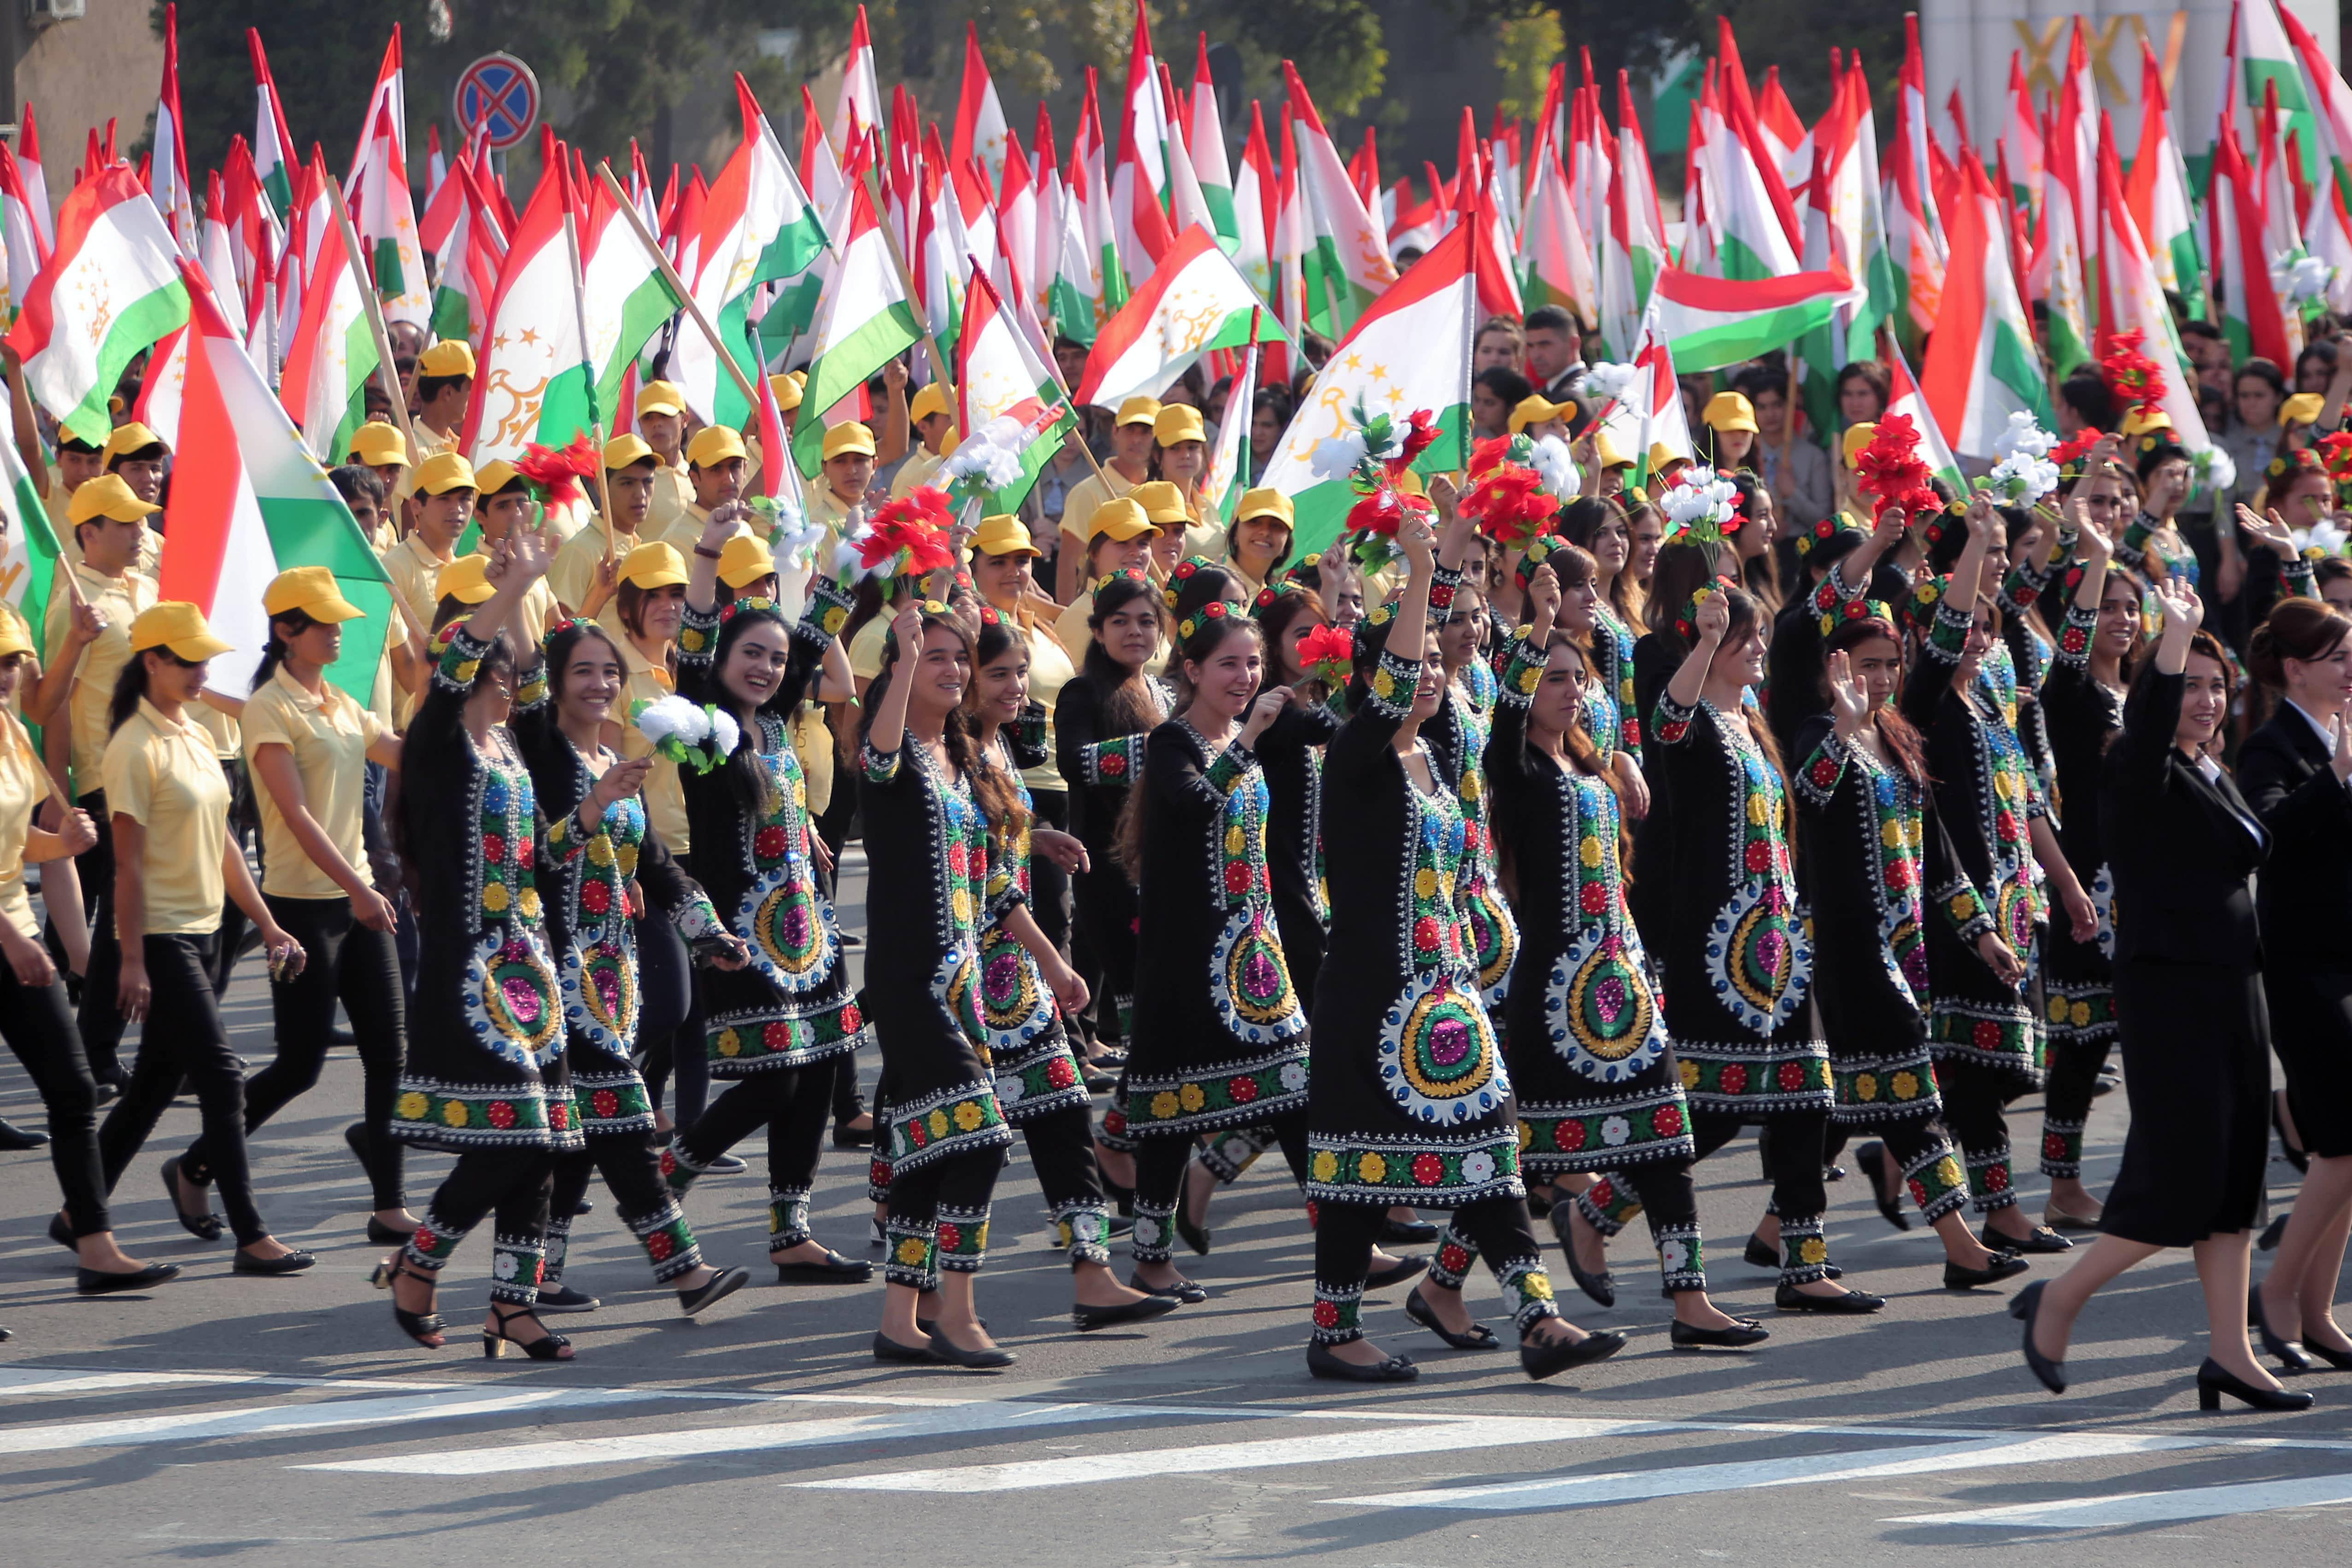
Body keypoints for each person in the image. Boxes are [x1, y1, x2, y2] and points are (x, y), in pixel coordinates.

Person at [1304, 490, 1619, 1382]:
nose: (1434, 675)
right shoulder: (1359, 753)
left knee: (1485, 1141)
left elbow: (1480, 667)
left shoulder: (1437, 750)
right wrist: (1414, 569)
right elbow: (1403, 669)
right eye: (1412, 669)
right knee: (1359, 1174)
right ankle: (1334, 1331)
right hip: (1372, 992)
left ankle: (1537, 1316)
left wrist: (1451, 561)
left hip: (1445, 991)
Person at [2015, 579, 2313, 1411]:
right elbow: (2142, 732)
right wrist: (2174, 639)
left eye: (2217, 686)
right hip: (2171, 993)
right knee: (2182, 1177)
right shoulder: (2133, 769)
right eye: (2189, 686)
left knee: (2233, 1182)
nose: (2207, 700)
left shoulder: (2209, 769)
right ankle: (2059, 1298)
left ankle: (2229, 1351)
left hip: (2233, 989)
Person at [1490, 565, 1766, 1345]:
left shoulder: (1590, 764)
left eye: (1579, 678)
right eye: (1553, 678)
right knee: (1534, 1152)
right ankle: (1445, 1284)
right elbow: (1509, 700)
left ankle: (1690, 1301)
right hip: (1552, 984)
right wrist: (1540, 620)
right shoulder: (1513, 769)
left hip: (1621, 974)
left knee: (1666, 1131)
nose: (1569, 690)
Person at [1642, 562, 1884, 1312]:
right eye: (1743, 640)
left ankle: (1804, 1266)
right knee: (1710, 1109)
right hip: (1717, 948)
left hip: (1778, 945)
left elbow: (1807, 800)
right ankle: (1598, 1209)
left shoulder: (1755, 725)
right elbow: (1666, 722)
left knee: (1806, 1098)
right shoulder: (1694, 726)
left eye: (1755, 639)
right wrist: (1705, 636)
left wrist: (1844, 732)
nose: (1756, 651)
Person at [375, 531, 583, 1358]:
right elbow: (458, 657)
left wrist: (596, 814)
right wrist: (524, 580)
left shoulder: (507, 750)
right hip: (472, 965)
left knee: (542, 1143)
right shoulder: (438, 739)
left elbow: (541, 846)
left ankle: (513, 1304)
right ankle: (420, 1261)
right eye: (495, 671)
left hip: (526, 961)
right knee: (523, 1132)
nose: (509, 684)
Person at [512, 617, 755, 1319]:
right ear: (555, 684)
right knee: (620, 1112)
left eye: (610, 672)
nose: (600, 684)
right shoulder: (542, 754)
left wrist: (706, 930)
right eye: (583, 671)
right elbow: (541, 855)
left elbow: (654, 861)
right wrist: (522, 585)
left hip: (612, 968)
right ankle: (683, 1270)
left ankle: (531, 1274)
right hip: (556, 965)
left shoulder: (613, 760)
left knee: (586, 1126)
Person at [175, 569, 414, 1246]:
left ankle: (390, 1202)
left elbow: (399, 753)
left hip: (360, 897)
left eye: (339, 620)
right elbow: (296, 813)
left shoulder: (337, 700)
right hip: (305, 907)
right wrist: (361, 889)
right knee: (300, 1065)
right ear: (285, 631)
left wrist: (457, 706)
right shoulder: (269, 707)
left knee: (388, 1054)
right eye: (324, 622)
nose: (338, 631)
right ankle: (195, 1163)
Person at [663, 504, 871, 1280]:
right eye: (751, 653)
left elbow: (823, 616)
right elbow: (688, 643)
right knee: (776, 1074)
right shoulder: (701, 725)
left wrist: (862, 544)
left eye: (778, 659)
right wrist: (711, 548)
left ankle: (792, 1232)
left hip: (807, 924)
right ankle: (667, 1177)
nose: (768, 667)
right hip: (736, 928)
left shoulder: (778, 724)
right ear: (721, 658)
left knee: (817, 1069)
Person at [1793, 612, 2031, 1287]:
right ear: (1833, 668)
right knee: (1911, 1097)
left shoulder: (1898, 738)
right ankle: (1961, 1243)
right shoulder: (1822, 733)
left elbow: (1938, 856)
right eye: (1865, 664)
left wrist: (1982, 932)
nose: (1879, 678)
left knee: (1826, 1106)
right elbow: (1807, 797)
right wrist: (1841, 724)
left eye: (1888, 665)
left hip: (1905, 949)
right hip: (1846, 948)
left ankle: (1783, 1241)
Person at [958, 609, 1170, 1326]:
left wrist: (1037, 833)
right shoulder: (952, 758)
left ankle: (1092, 1270)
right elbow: (987, 880)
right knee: (951, 1135)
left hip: (1012, 973)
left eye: (1020, 671)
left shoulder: (995, 752)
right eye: (998, 674)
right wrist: (1054, 962)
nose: (1017, 685)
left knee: (1058, 1107)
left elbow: (997, 843)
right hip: (970, 974)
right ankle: (920, 1288)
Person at [92, 603, 314, 1277]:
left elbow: (222, 841)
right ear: (151, 661)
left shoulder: (192, 729)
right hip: (159, 935)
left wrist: (268, 922)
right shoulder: (132, 744)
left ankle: (80, 1208)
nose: (201, 670)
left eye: (205, 658)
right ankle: (251, 1233)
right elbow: (124, 865)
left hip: (206, 929)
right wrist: (130, 958)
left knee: (155, 1083)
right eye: (187, 659)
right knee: (221, 1075)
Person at [1121, 600, 1318, 1301]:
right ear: (1193, 670)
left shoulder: (1251, 727)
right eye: (1229, 664)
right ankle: (1150, 1256)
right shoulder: (1173, 741)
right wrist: (1251, 737)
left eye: (1253, 662)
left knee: (1297, 1084)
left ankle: (1346, 1238)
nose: (1244, 677)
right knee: (1170, 1110)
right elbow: (1194, 803)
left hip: (1254, 954)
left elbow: (1342, 726)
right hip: (1186, 958)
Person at [856, 597, 1022, 1368]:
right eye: (936, 657)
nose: (954, 668)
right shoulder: (893, 756)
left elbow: (989, 884)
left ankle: (900, 1317)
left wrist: (1049, 963)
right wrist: (902, 648)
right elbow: (879, 756)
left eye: (961, 657)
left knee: (929, 1144)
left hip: (964, 983)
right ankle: (958, 1310)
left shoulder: (963, 760)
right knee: (982, 1137)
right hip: (910, 978)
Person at [0, 607, 180, 1294]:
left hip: (16, 933)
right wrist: (16, 936)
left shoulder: (14, 730)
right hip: (9, 937)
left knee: (74, 1089)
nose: (9, 675)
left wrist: (63, 845)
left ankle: (95, 1245)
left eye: (14, 661)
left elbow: (19, 845)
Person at [2239, 598, 2352, 1373]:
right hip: (2303, 965)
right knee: (2344, 1141)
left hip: (2348, 956)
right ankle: (2278, 1293)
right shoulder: (2268, 747)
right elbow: (2269, 833)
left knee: (2345, 1147)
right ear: (2297, 667)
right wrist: (2339, 775)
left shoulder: (2342, 736)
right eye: (2341, 655)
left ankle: (2316, 1307)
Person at [29, 476, 161, 1086]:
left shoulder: (141, 587)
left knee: (146, 909)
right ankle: (101, 1044)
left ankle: (134, 1044)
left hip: (157, 770)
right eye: (126, 522)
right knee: (124, 911)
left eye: (140, 521)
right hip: (108, 778)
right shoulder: (73, 605)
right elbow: (54, 702)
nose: (139, 531)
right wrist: (58, 791)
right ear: (89, 532)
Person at [1055, 571, 1170, 1079]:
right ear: (1097, 631)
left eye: (1146, 621)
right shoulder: (1083, 692)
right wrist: (1157, 750)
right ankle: (1143, 1104)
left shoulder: (1163, 694)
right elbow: (1074, 763)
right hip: (1107, 861)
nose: (1134, 632)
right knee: (1133, 980)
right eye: (1119, 621)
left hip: (1164, 858)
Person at [1056, 398, 1160, 603]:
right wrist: (1064, 618)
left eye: (1146, 432)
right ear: (1115, 432)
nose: (1137, 440)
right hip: (1100, 606)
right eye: (1130, 430)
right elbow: (1068, 563)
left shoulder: (1162, 489)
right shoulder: (1086, 492)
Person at [888, 382, 959, 499]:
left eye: (959, 414)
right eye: (950, 417)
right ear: (923, 426)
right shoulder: (910, 477)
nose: (958, 422)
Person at [1224, 487, 1296, 596]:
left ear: (1286, 544)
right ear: (1235, 534)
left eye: (1276, 526)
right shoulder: (1208, 584)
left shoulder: (1280, 602)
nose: (1265, 532)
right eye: (1254, 522)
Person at [410, 341, 474, 454]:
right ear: (448, 392)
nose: (471, 396)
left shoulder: (461, 446)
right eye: (469, 389)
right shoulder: (413, 453)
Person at [1521, 305, 1584, 402]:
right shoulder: (1593, 388)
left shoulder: (1572, 401)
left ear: (1574, 344)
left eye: (1544, 345)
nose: (1535, 356)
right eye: (1531, 346)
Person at [1471, 369, 1534, 442]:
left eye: (1489, 403)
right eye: (1477, 400)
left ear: (1513, 407)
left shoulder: (1532, 438)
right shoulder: (1468, 438)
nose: (1479, 409)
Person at [1702, 392, 1759, 470]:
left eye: (1744, 430)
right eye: (1729, 430)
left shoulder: (1752, 479)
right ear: (1712, 433)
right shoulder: (1697, 479)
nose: (1738, 436)